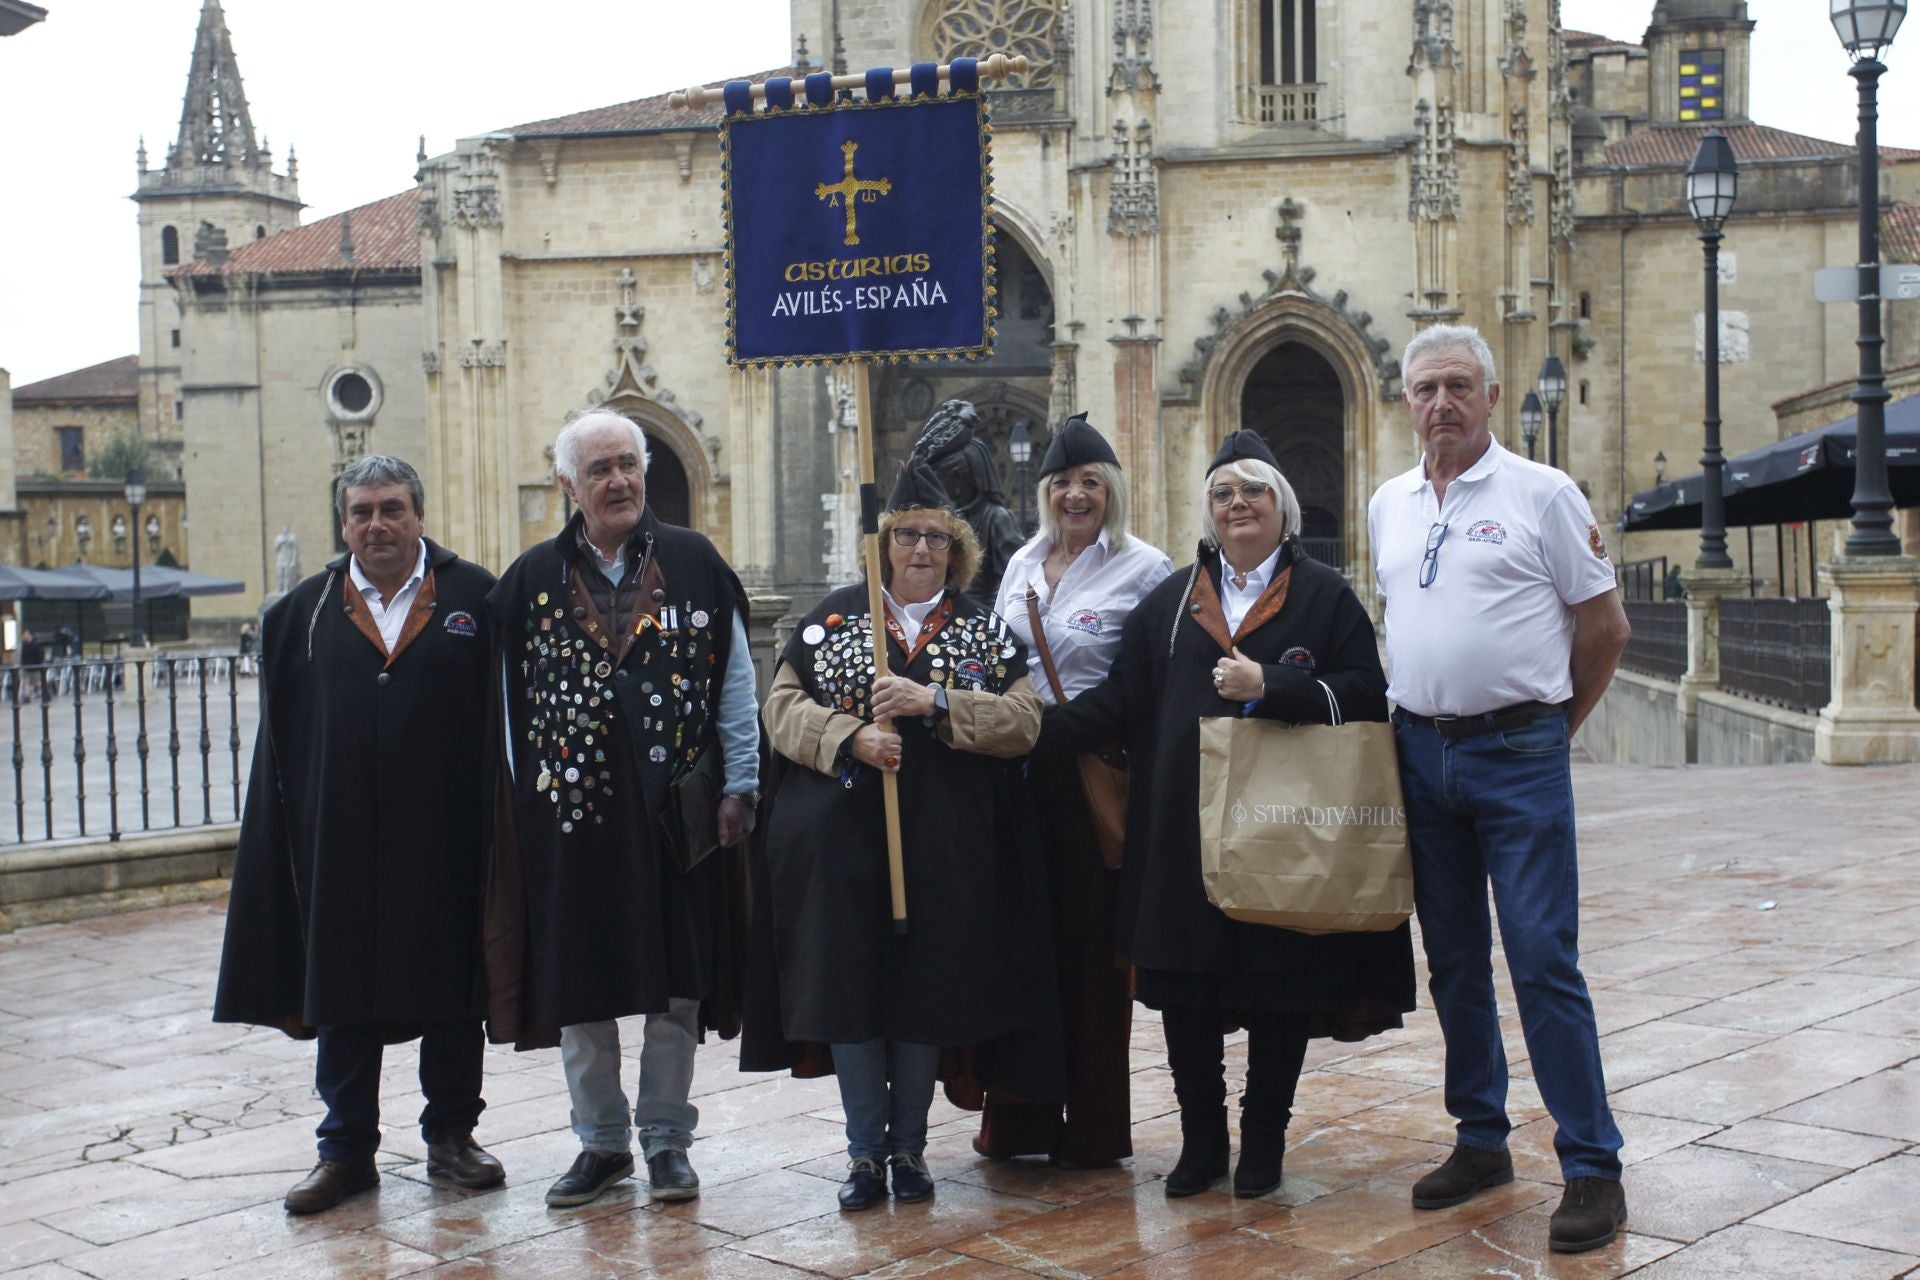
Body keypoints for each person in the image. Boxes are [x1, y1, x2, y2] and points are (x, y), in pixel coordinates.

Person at [1042, 429, 1415, 1200]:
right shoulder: (1171, 605)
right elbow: (1118, 701)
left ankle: (1263, 1142)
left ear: (1283, 507)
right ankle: (1202, 1143)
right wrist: (1028, 735)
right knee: (1186, 989)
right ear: (1208, 510)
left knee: (1280, 988)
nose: (1237, 504)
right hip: (1182, 830)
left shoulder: (1326, 597)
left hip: (1285, 830)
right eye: (1223, 493)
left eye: (1253, 491)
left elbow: (1365, 694)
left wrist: (1273, 686)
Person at [1368, 324, 1632, 1254]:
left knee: (1541, 957)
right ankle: (1481, 1138)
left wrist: (1551, 729)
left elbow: (1605, 627)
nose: (1441, 403)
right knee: (1452, 960)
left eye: (1458, 385)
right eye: (1425, 388)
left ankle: (1592, 1164)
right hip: (1420, 753)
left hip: (1517, 752)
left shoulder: (1543, 494)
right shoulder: (1389, 504)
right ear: (1406, 401)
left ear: (1489, 393)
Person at [752, 459, 1053, 1211]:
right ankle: (864, 1154)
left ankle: (910, 1148)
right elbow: (780, 711)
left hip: (948, 847)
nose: (922, 549)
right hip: (843, 850)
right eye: (907, 535)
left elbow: (1024, 723)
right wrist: (849, 736)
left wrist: (936, 702)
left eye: (937, 538)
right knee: (849, 988)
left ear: (958, 551)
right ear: (882, 544)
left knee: (927, 989)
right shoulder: (830, 622)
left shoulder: (984, 630)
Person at [213, 454, 504, 1214]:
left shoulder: (476, 600)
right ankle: (344, 1150)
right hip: (336, 840)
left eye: (392, 509)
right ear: (342, 524)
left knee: (453, 988)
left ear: (419, 515)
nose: (377, 525)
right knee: (341, 990)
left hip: (446, 836)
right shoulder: (298, 616)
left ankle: (452, 1135)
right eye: (362, 512)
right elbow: (281, 748)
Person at [485, 408, 759, 1209]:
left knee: (677, 987)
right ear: (569, 485)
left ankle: (667, 1139)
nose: (619, 481)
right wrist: (525, 804)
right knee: (582, 985)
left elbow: (734, 682)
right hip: (570, 823)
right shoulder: (529, 580)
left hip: (676, 816)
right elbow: (508, 708)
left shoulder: (694, 561)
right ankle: (600, 1142)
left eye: (628, 464)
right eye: (600, 468)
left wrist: (740, 785)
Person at [974, 412, 1171, 1169]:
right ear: (1045, 492)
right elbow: (996, 663)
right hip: (1018, 778)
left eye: (1091, 482)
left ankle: (1092, 1127)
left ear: (1111, 490)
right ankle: (1017, 1120)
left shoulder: (1144, 569)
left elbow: (1138, 687)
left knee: (1092, 955)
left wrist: (1048, 732)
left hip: (1091, 775)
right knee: (1021, 946)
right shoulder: (1022, 563)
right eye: (1062, 482)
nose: (1076, 495)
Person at [917, 400, 1024, 604]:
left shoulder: (995, 518)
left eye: (942, 477)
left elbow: (1017, 579)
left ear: (961, 478)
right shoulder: (942, 517)